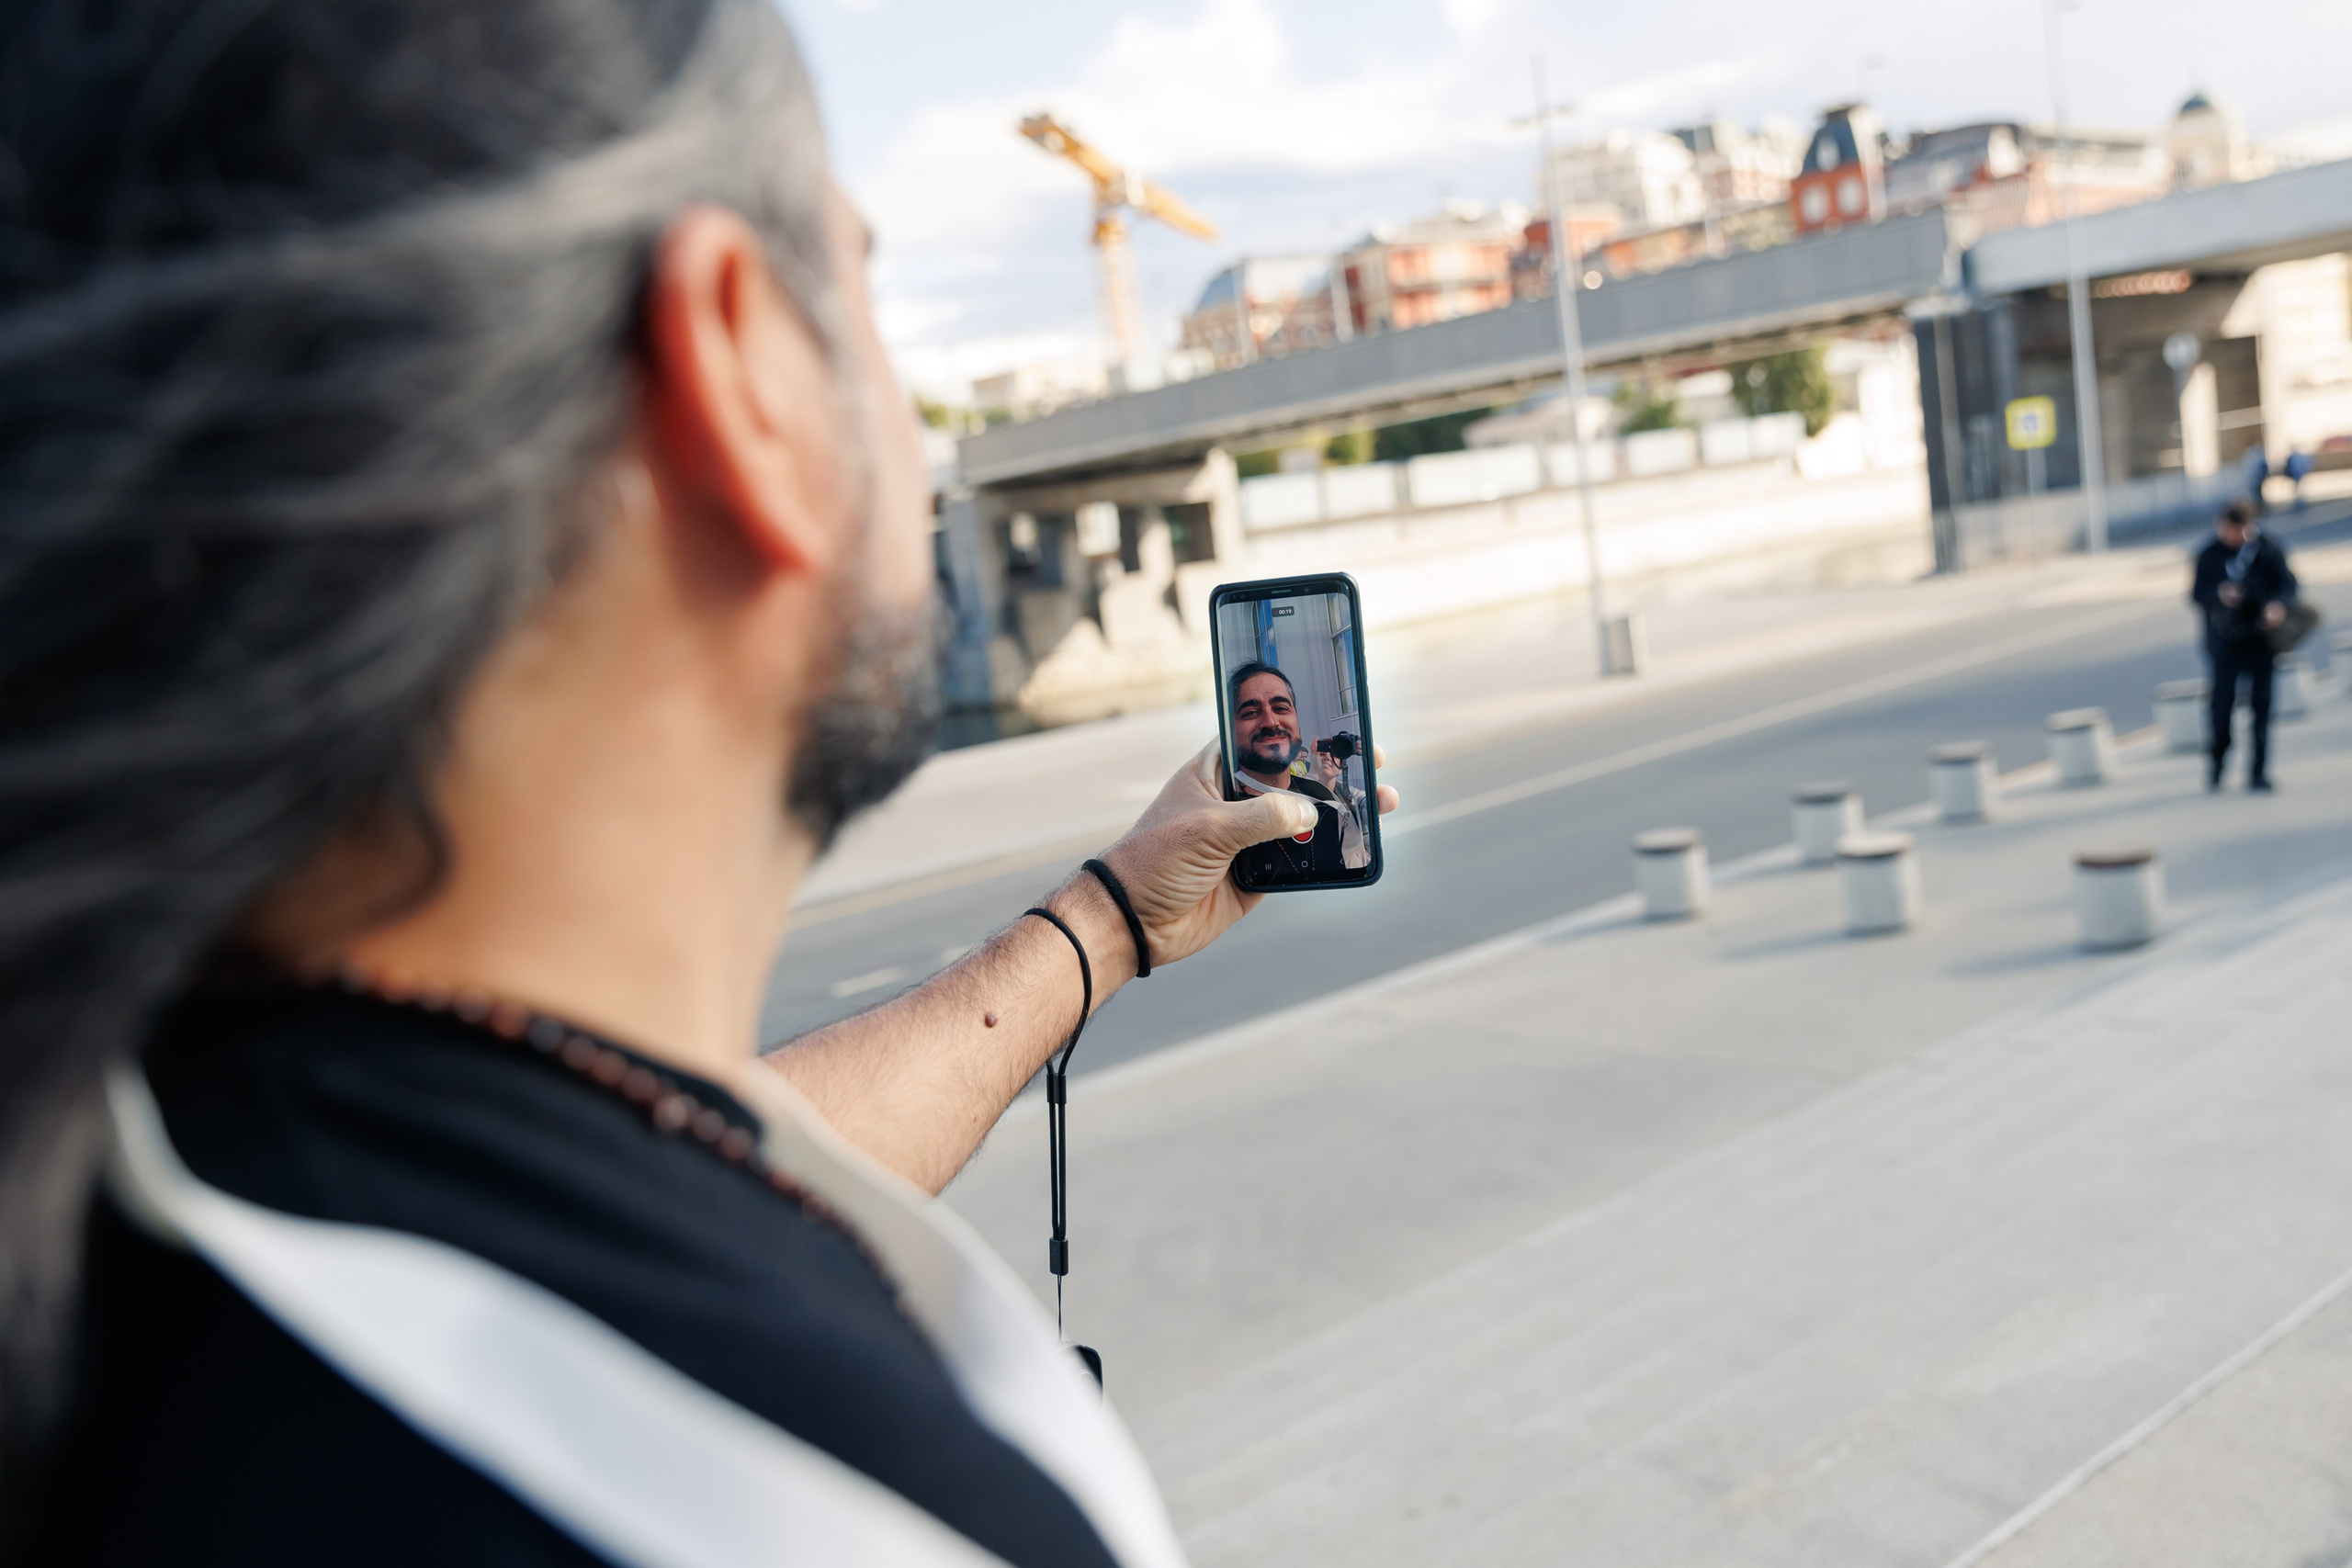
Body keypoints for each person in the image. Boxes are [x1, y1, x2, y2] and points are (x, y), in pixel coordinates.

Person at [0, 2, 1397, 1562]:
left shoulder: (142, 1135)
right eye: (866, 295)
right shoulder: (812, 1514)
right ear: (738, 367)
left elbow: (658, 1152)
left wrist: (1108, 924)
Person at [1225, 662, 1372, 881]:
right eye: (1251, 712)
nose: (1271, 722)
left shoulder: (1321, 796)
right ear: (1228, 730)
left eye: (1281, 708)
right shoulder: (1222, 807)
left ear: (1298, 722)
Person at [2190, 500, 2300, 793]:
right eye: (2227, 530)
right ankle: (2217, 765)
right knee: (2221, 706)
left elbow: (2289, 585)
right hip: (2224, 644)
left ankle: (2259, 771)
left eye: (2237, 531)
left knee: (2261, 707)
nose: (2232, 537)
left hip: (2261, 641)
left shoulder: (2267, 549)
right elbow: (2196, 594)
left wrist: (2277, 606)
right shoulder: (2209, 554)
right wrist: (2220, 593)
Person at [2284, 447, 2313, 513]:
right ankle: (2299, 501)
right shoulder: (2300, 456)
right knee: (2299, 488)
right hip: (2299, 473)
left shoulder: (2293, 457)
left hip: (2296, 473)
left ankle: (2299, 501)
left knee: (2297, 488)